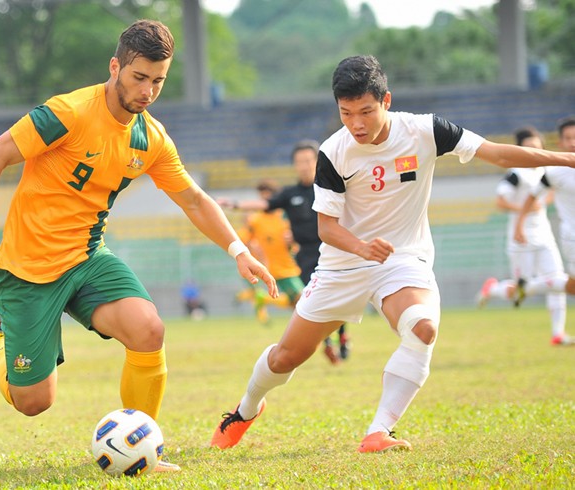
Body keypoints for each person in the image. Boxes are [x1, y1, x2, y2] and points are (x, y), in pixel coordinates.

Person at [0, 19, 277, 472]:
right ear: (115, 67)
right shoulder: (69, 112)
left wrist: (239, 250)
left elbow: (192, 198)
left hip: (87, 258)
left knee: (149, 330)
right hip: (27, 269)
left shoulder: (150, 137)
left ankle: (145, 448)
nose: (148, 91)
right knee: (34, 402)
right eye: (139, 78)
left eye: (158, 81)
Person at [209, 55, 575, 454]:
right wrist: (362, 247)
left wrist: (566, 158)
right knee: (285, 357)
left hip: (402, 258)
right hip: (343, 263)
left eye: (366, 111)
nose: (357, 124)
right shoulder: (334, 151)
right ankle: (245, 410)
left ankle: (379, 430)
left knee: (422, 327)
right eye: (346, 113)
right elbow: (326, 228)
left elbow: (498, 154)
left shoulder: (426, 130)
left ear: (386, 100)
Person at [220, 141, 350, 363]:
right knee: (310, 302)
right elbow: (264, 204)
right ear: (294, 165)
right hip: (304, 258)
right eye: (300, 162)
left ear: (317, 161)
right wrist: (234, 203)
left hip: (333, 250)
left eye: (309, 160)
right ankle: (327, 342)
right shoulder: (290, 194)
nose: (305, 166)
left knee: (339, 299)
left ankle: (342, 336)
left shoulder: (329, 187)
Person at [476, 126, 568, 344]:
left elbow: (554, 190)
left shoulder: (547, 171)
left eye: (537, 147)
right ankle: (493, 289)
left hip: (545, 236)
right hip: (520, 238)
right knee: (520, 292)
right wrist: (523, 210)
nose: (534, 152)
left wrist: (542, 203)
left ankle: (558, 333)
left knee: (557, 279)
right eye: (529, 148)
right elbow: (500, 201)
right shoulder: (516, 174)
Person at [510, 116, 575, 345]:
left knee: (568, 284)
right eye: (568, 138)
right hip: (570, 238)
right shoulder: (552, 172)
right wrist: (519, 223)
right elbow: (529, 197)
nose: (572, 142)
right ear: (559, 142)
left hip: (549, 236)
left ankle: (530, 288)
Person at [235, 179, 306, 325]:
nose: (265, 200)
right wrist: (253, 251)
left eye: (268, 197)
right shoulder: (255, 220)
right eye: (262, 197)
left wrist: (292, 240)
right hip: (275, 269)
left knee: (297, 305)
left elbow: (298, 237)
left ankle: (263, 299)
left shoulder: (285, 216)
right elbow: (243, 240)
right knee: (304, 300)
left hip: (288, 264)